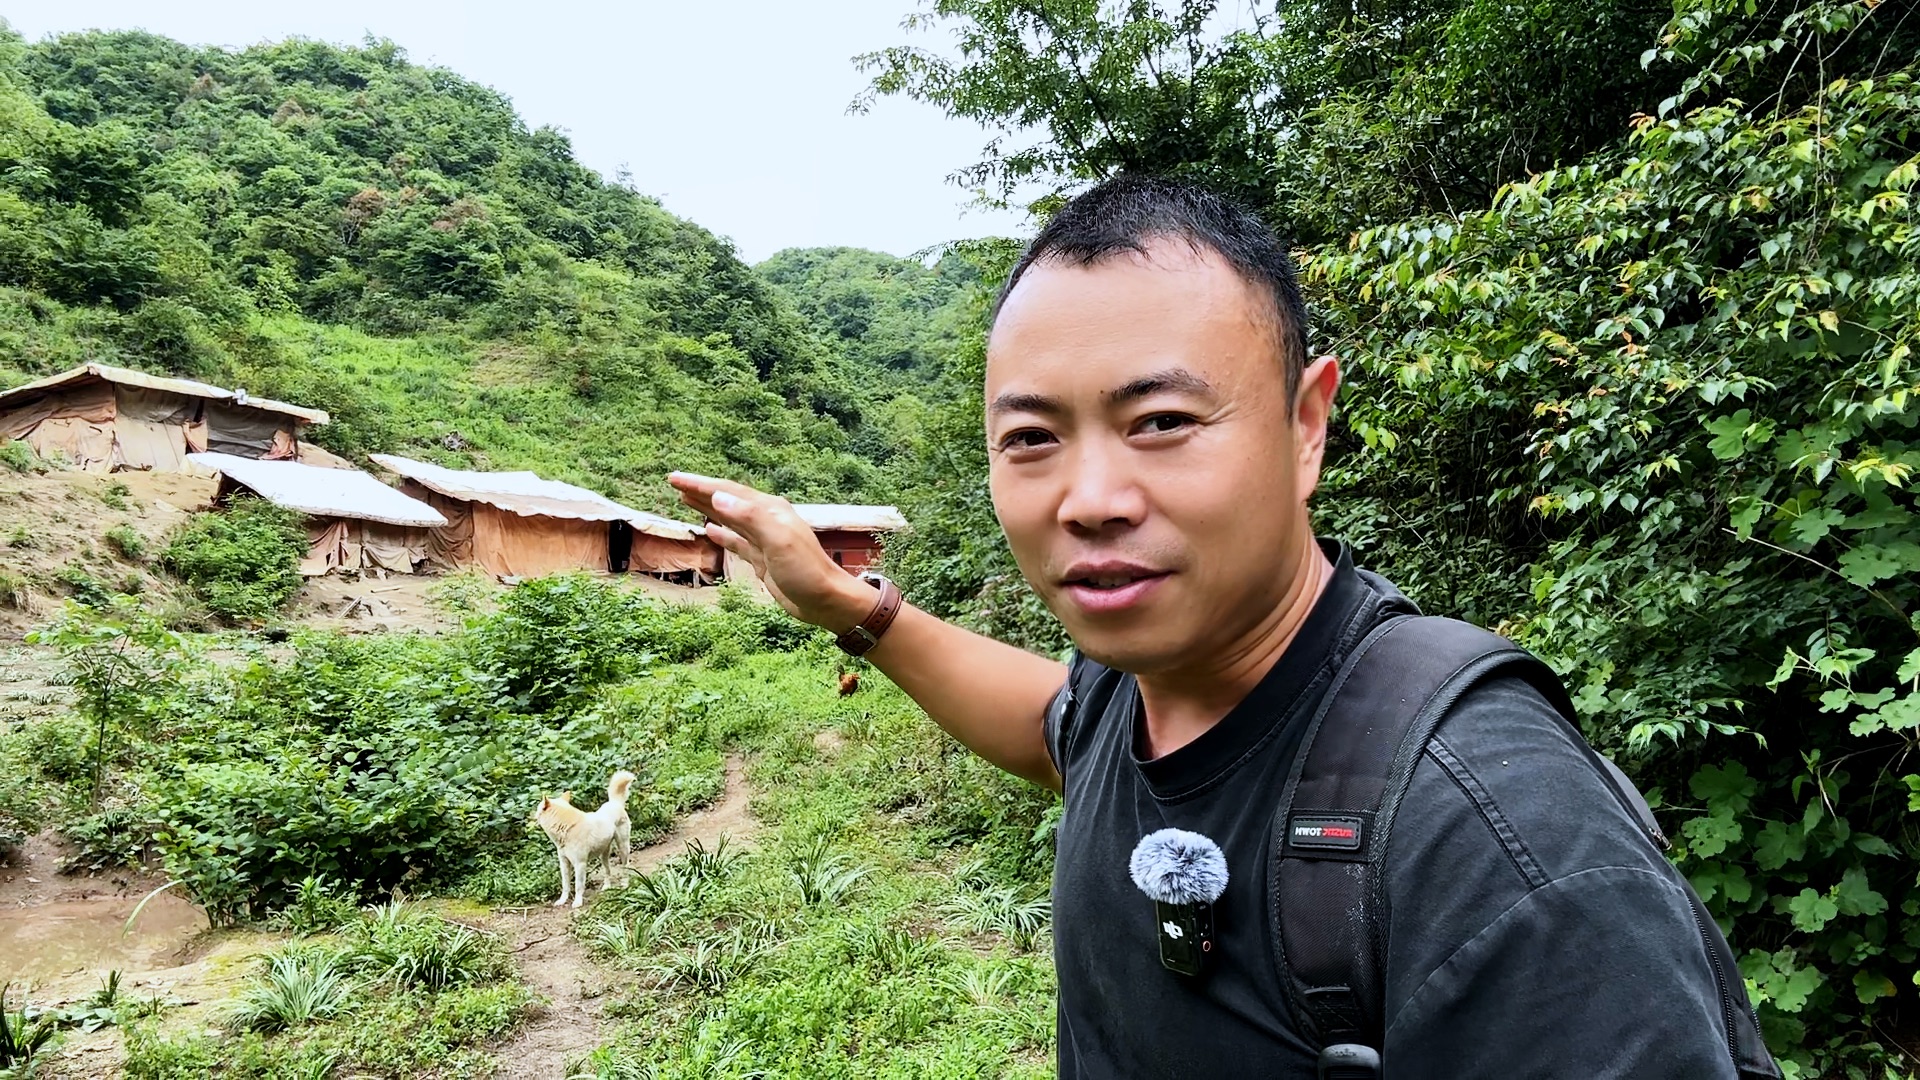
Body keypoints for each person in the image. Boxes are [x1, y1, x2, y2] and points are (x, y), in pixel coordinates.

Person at [670, 175, 1757, 1078]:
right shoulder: (1135, 688)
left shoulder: (1496, 844)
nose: (1089, 495)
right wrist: (845, 607)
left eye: (1162, 423)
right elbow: (1058, 726)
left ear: (1305, 426)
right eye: (1033, 439)